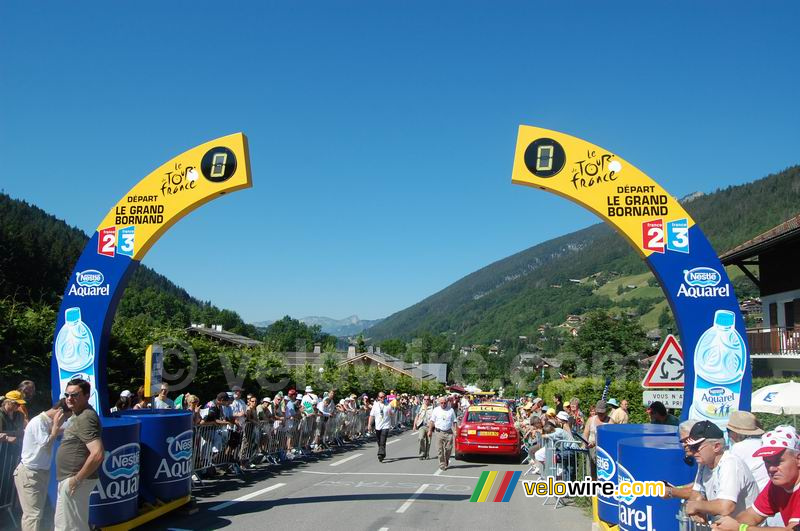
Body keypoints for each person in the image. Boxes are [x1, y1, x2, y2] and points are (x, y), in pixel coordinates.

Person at [712, 425, 800, 530]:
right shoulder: (776, 486)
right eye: (767, 462)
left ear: (798, 459)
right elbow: (752, 515)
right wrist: (722, 526)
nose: (771, 468)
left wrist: (741, 528)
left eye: (778, 461)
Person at [683, 420, 758, 525]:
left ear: (716, 447)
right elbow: (696, 495)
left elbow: (726, 506)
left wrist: (697, 506)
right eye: (691, 447)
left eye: (696, 447)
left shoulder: (730, 464)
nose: (692, 452)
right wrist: (696, 509)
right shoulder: (704, 464)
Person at [54, 378, 104, 531]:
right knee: (68, 525)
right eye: (67, 395)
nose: (69, 398)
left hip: (75, 479)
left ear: (87, 396)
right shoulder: (78, 414)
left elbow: (97, 454)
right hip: (70, 479)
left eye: (75, 395)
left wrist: (76, 480)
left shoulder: (85, 417)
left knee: (70, 527)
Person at [14, 399, 71, 531]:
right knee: (33, 515)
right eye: (66, 418)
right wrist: (56, 428)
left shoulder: (47, 423)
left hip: (40, 473)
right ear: (60, 413)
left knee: (36, 513)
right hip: (30, 473)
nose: (65, 421)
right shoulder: (38, 422)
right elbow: (46, 444)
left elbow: (59, 429)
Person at [428, 396, 458, 471]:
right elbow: (432, 421)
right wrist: (430, 431)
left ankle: (446, 460)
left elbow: (454, 421)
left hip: (448, 432)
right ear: (439, 403)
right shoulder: (436, 410)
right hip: (439, 432)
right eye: (441, 403)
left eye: (445, 403)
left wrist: (455, 431)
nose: (443, 404)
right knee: (439, 449)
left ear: (447, 402)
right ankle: (442, 464)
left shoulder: (450, 410)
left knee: (448, 449)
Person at [368, 391, 393, 462]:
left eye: (383, 397)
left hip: (386, 425)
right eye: (381, 397)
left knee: (383, 440)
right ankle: (382, 452)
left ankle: (380, 454)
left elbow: (392, 413)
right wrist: (369, 424)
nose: (382, 398)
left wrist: (391, 413)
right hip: (378, 426)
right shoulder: (375, 405)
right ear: (378, 398)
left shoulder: (388, 405)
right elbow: (371, 415)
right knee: (379, 441)